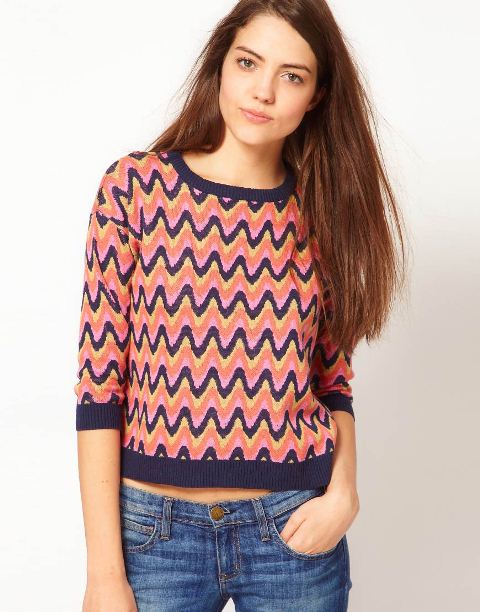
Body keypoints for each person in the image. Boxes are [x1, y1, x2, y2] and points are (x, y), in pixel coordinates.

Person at [74, 1, 408, 610]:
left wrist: (344, 494)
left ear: (316, 95)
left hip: (292, 527)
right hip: (153, 536)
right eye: (248, 63)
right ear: (221, 64)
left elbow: (332, 382)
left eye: (291, 75)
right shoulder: (135, 189)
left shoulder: (321, 212)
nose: (263, 91)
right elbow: (100, 387)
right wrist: (103, 573)